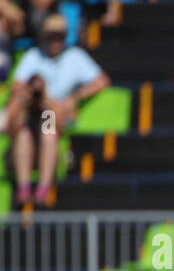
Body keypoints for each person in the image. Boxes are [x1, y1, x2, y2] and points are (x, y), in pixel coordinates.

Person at [5, 11, 110, 206]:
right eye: (51, 36)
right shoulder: (34, 55)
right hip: (30, 113)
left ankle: (44, 187)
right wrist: (30, 91)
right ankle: (24, 187)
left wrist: (74, 97)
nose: (54, 41)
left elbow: (101, 81)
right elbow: (17, 84)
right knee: (23, 135)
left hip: (52, 112)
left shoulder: (75, 57)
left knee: (48, 130)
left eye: (58, 36)